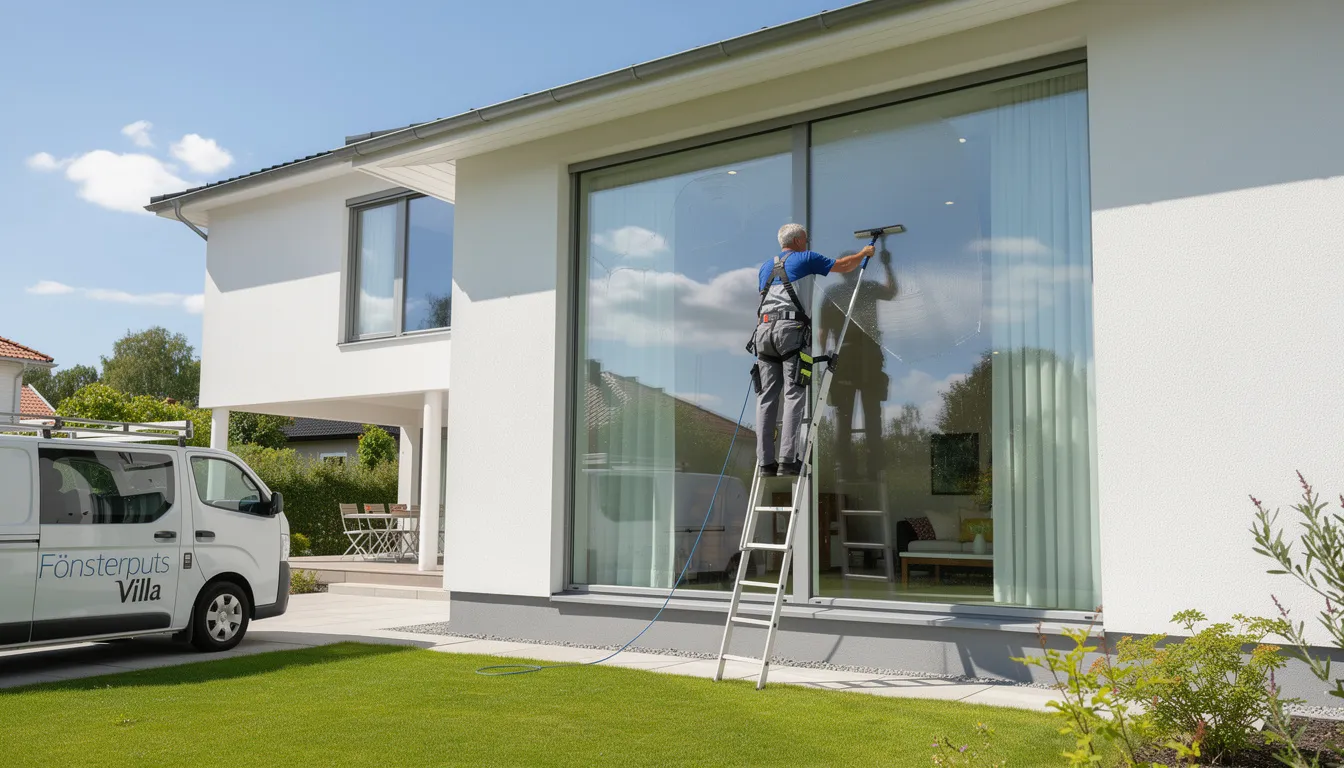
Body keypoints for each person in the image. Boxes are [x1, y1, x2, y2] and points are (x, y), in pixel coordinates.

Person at [752, 223, 872, 477]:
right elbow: (843, 266)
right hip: (791, 331)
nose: (806, 243)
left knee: (766, 398)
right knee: (795, 393)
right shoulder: (806, 258)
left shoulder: (765, 267)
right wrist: (863, 255)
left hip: (763, 334)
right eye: (805, 239)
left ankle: (765, 463)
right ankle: (787, 459)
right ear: (796, 241)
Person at [820, 246, 896, 481]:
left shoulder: (832, 293)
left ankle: (847, 468)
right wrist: (886, 265)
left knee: (844, 417)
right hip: (868, 357)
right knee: (872, 415)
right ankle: (873, 468)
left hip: (845, 358)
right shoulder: (867, 288)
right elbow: (891, 291)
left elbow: (822, 333)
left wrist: (823, 362)